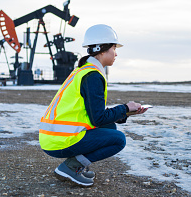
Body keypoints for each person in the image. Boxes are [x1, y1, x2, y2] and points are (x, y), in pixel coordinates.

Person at [39, 24, 148, 187]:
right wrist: (125, 108)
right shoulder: (92, 75)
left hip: (53, 137)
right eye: (114, 48)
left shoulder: (83, 71)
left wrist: (126, 113)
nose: (116, 53)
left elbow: (93, 115)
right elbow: (97, 118)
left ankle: (76, 166)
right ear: (103, 49)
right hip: (59, 141)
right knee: (118, 139)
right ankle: (71, 167)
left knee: (110, 128)